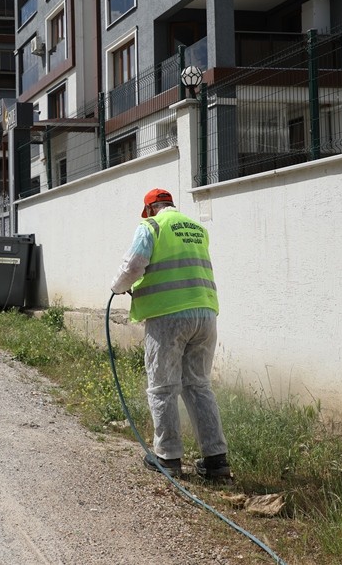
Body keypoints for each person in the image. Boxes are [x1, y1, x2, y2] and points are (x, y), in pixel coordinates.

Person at [110, 188, 230, 480]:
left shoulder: (150, 226)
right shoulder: (196, 229)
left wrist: (116, 287)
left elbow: (134, 264)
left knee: (162, 387)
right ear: (171, 205)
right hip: (204, 314)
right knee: (198, 385)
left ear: (150, 209)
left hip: (169, 316)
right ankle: (216, 462)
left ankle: (168, 458)